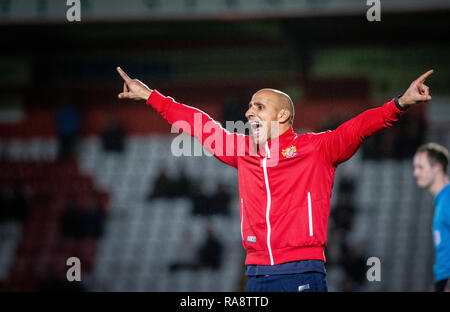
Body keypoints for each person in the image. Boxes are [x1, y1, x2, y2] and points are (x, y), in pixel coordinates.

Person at [116, 66, 433, 292]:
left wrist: (400, 103)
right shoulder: (241, 150)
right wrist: (151, 97)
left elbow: (357, 127)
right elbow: (199, 124)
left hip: (302, 270)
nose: (249, 112)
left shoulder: (316, 148)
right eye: (250, 106)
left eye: (259, 106)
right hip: (255, 274)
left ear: (282, 116)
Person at [413, 143, 450, 292]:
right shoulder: (442, 200)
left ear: (437, 168)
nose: (415, 173)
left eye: (420, 167)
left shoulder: (448, 199)